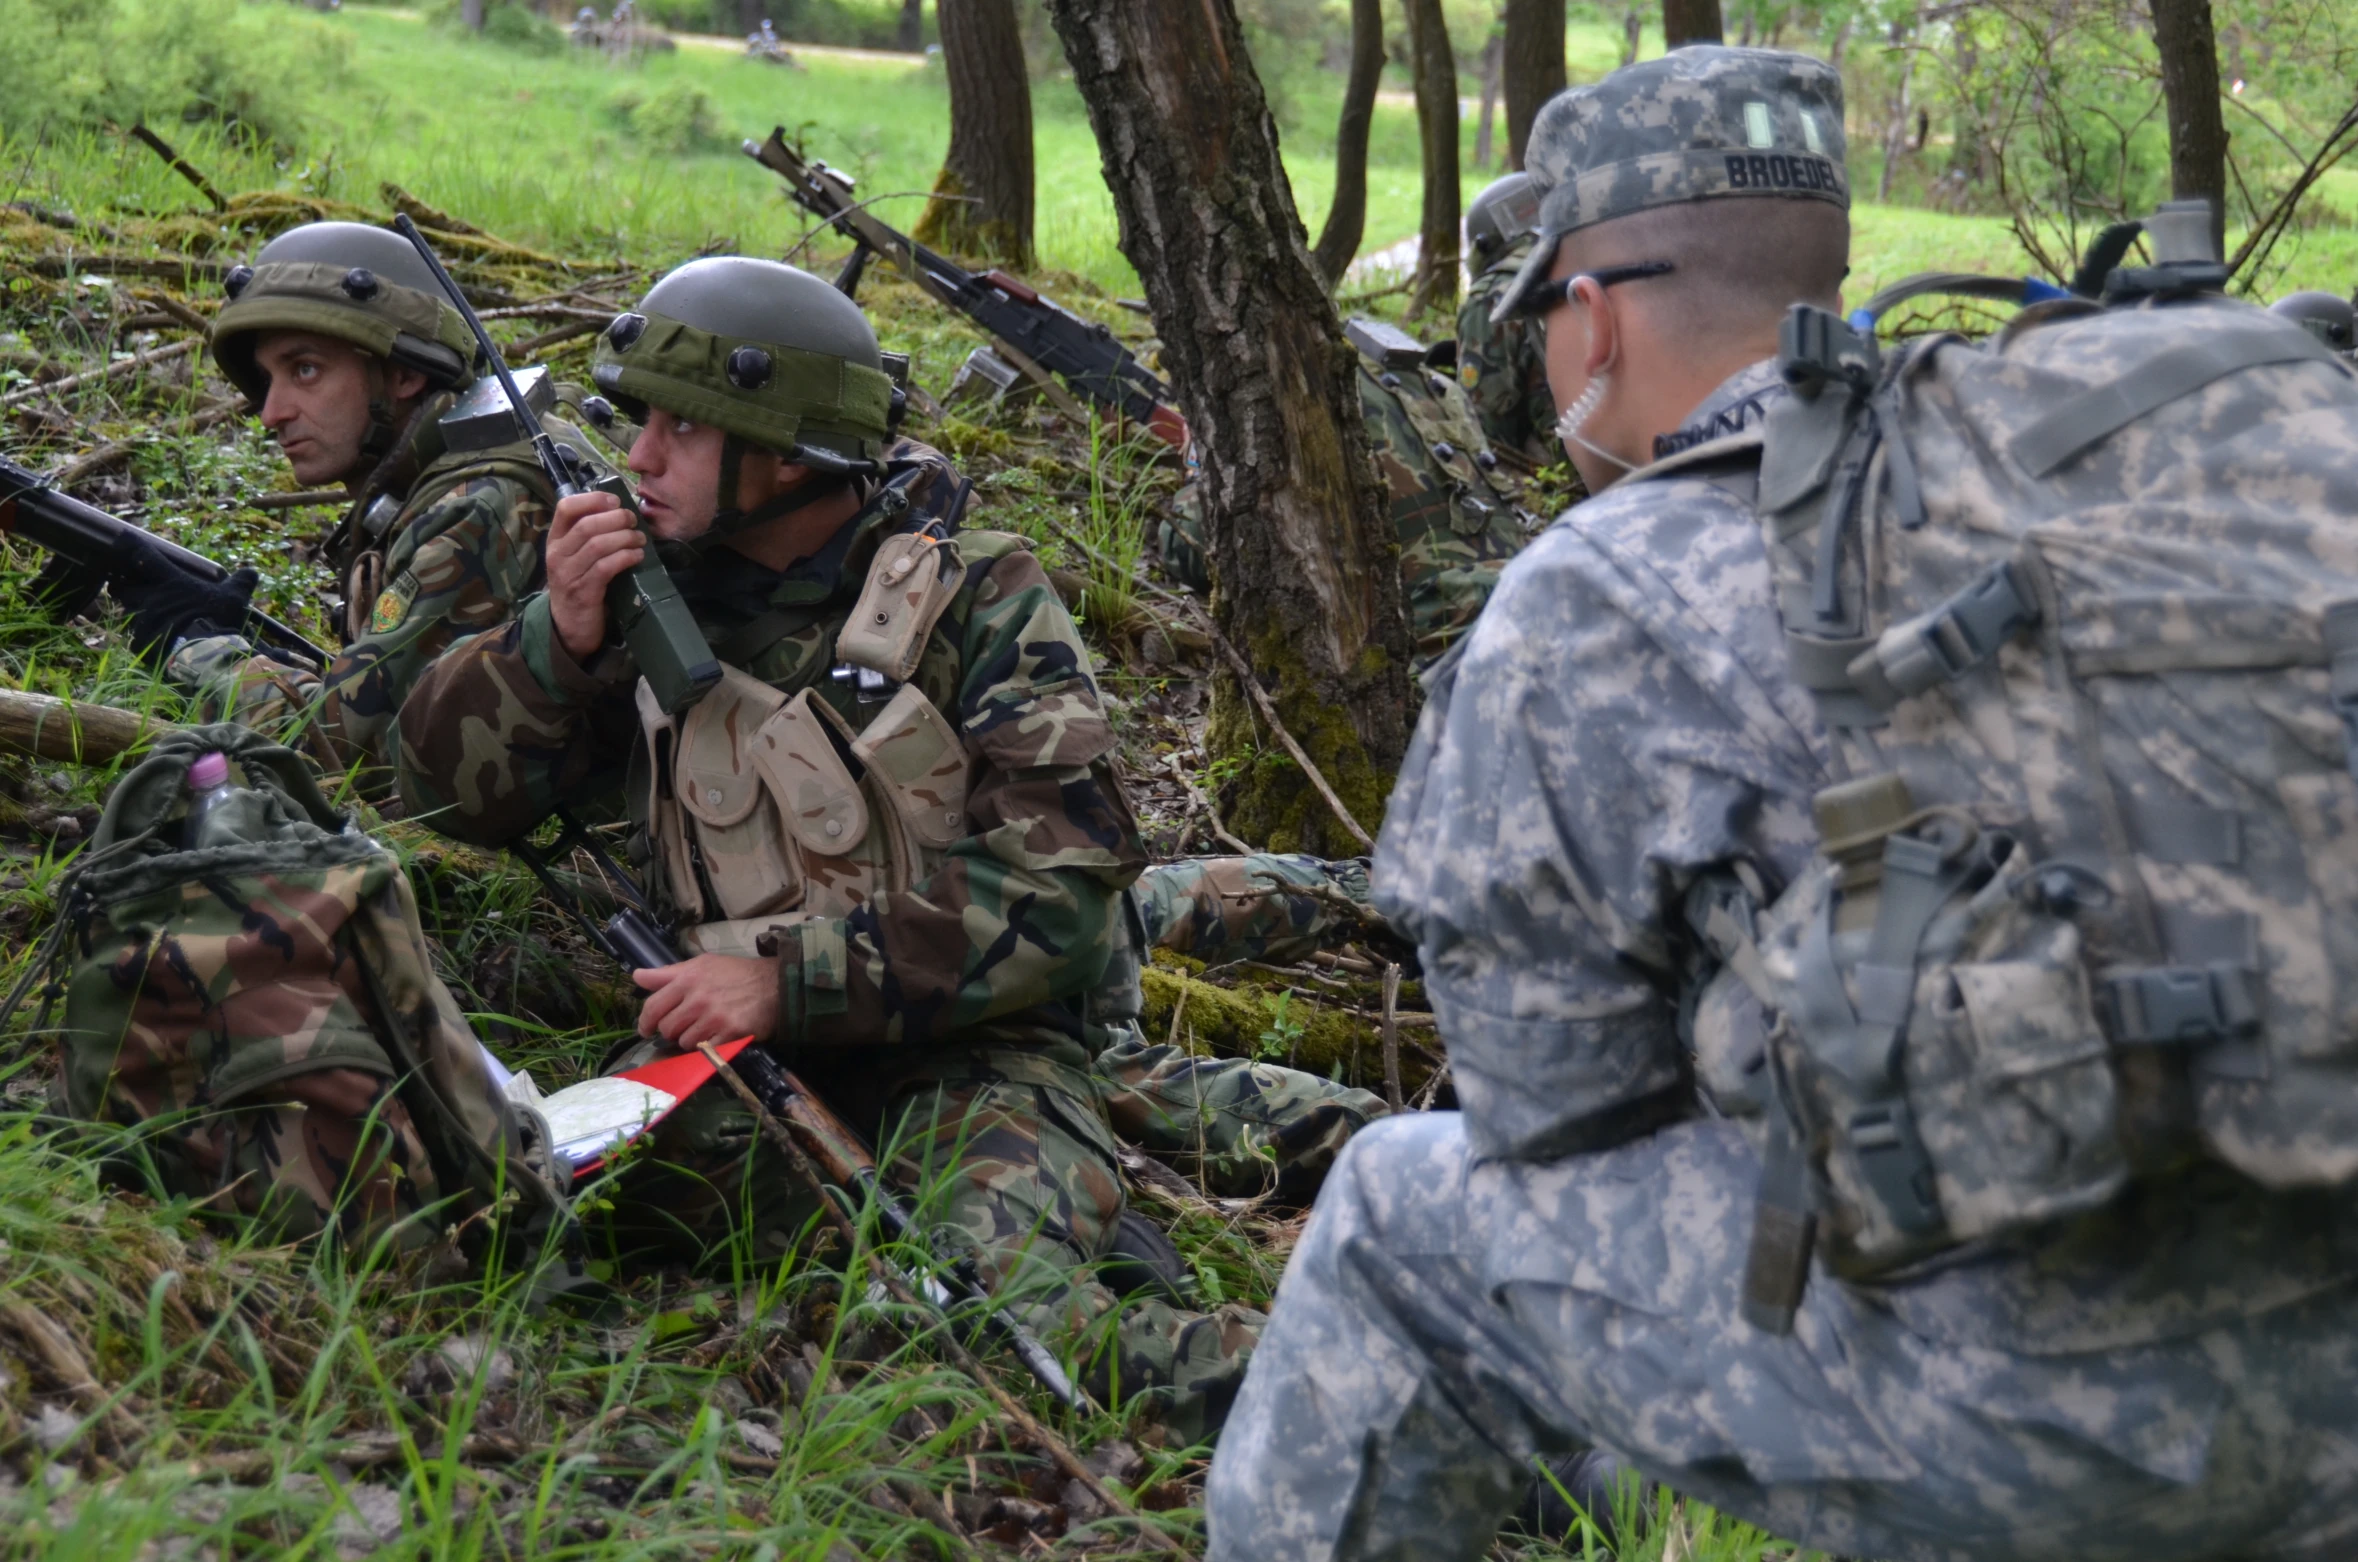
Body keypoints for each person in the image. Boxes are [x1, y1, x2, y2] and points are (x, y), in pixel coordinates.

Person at [1208, 44, 2358, 1561]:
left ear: (1591, 315)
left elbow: (1552, 1113)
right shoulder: (2126, 486)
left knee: (1394, 1216)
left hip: (2054, 1427)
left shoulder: (1596, 595)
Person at [393, 256, 1264, 1443]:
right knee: (498, 1221)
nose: (638, 456)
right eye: (639, 420)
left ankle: (1429, 1407)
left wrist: (787, 977)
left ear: (788, 451)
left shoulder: (977, 595)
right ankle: (995, 1217)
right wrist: (555, 640)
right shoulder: (645, 594)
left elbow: (1062, 892)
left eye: (682, 429)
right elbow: (442, 797)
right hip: (725, 1064)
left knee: (986, 1325)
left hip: (973, 1056)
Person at [116, 220, 609, 797]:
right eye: (269, 378)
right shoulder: (476, 454)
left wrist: (196, 649)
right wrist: (276, 662)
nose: (271, 412)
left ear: (401, 373)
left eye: (305, 370)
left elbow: (342, 759)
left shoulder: (479, 507)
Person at [1159, 316, 1536, 670]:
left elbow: (1191, 547)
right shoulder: (1432, 383)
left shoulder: (1288, 397)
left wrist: (1197, 467)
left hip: (1439, 650)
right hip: (1532, 604)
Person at [1455, 171, 1557, 467]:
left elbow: (1485, 435)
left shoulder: (1493, 297)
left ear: (1484, 245)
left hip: (1570, 485)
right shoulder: (1591, 259)